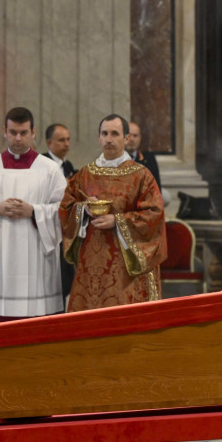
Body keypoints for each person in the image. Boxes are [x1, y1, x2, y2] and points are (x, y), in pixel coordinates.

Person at [0, 107, 66, 327]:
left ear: (33, 132)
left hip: (36, 258)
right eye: (13, 132)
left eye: (24, 132)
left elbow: (65, 210)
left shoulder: (50, 169)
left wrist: (34, 211)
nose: (18, 138)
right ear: (4, 131)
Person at [60, 114, 167, 312]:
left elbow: (154, 214)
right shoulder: (85, 174)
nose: (109, 139)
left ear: (126, 138)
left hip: (127, 265)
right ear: (99, 137)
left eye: (115, 134)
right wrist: (83, 208)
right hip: (91, 262)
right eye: (104, 133)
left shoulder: (141, 175)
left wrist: (117, 220)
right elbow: (66, 206)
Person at [43, 123, 77, 300]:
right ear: (49, 143)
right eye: (61, 140)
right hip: (46, 227)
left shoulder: (68, 165)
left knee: (64, 278)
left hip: (64, 228)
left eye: (68, 139)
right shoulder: (41, 164)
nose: (66, 144)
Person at [125, 121, 161, 191]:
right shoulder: (115, 157)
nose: (132, 139)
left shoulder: (149, 159)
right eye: (128, 136)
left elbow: (156, 186)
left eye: (135, 136)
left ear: (140, 138)